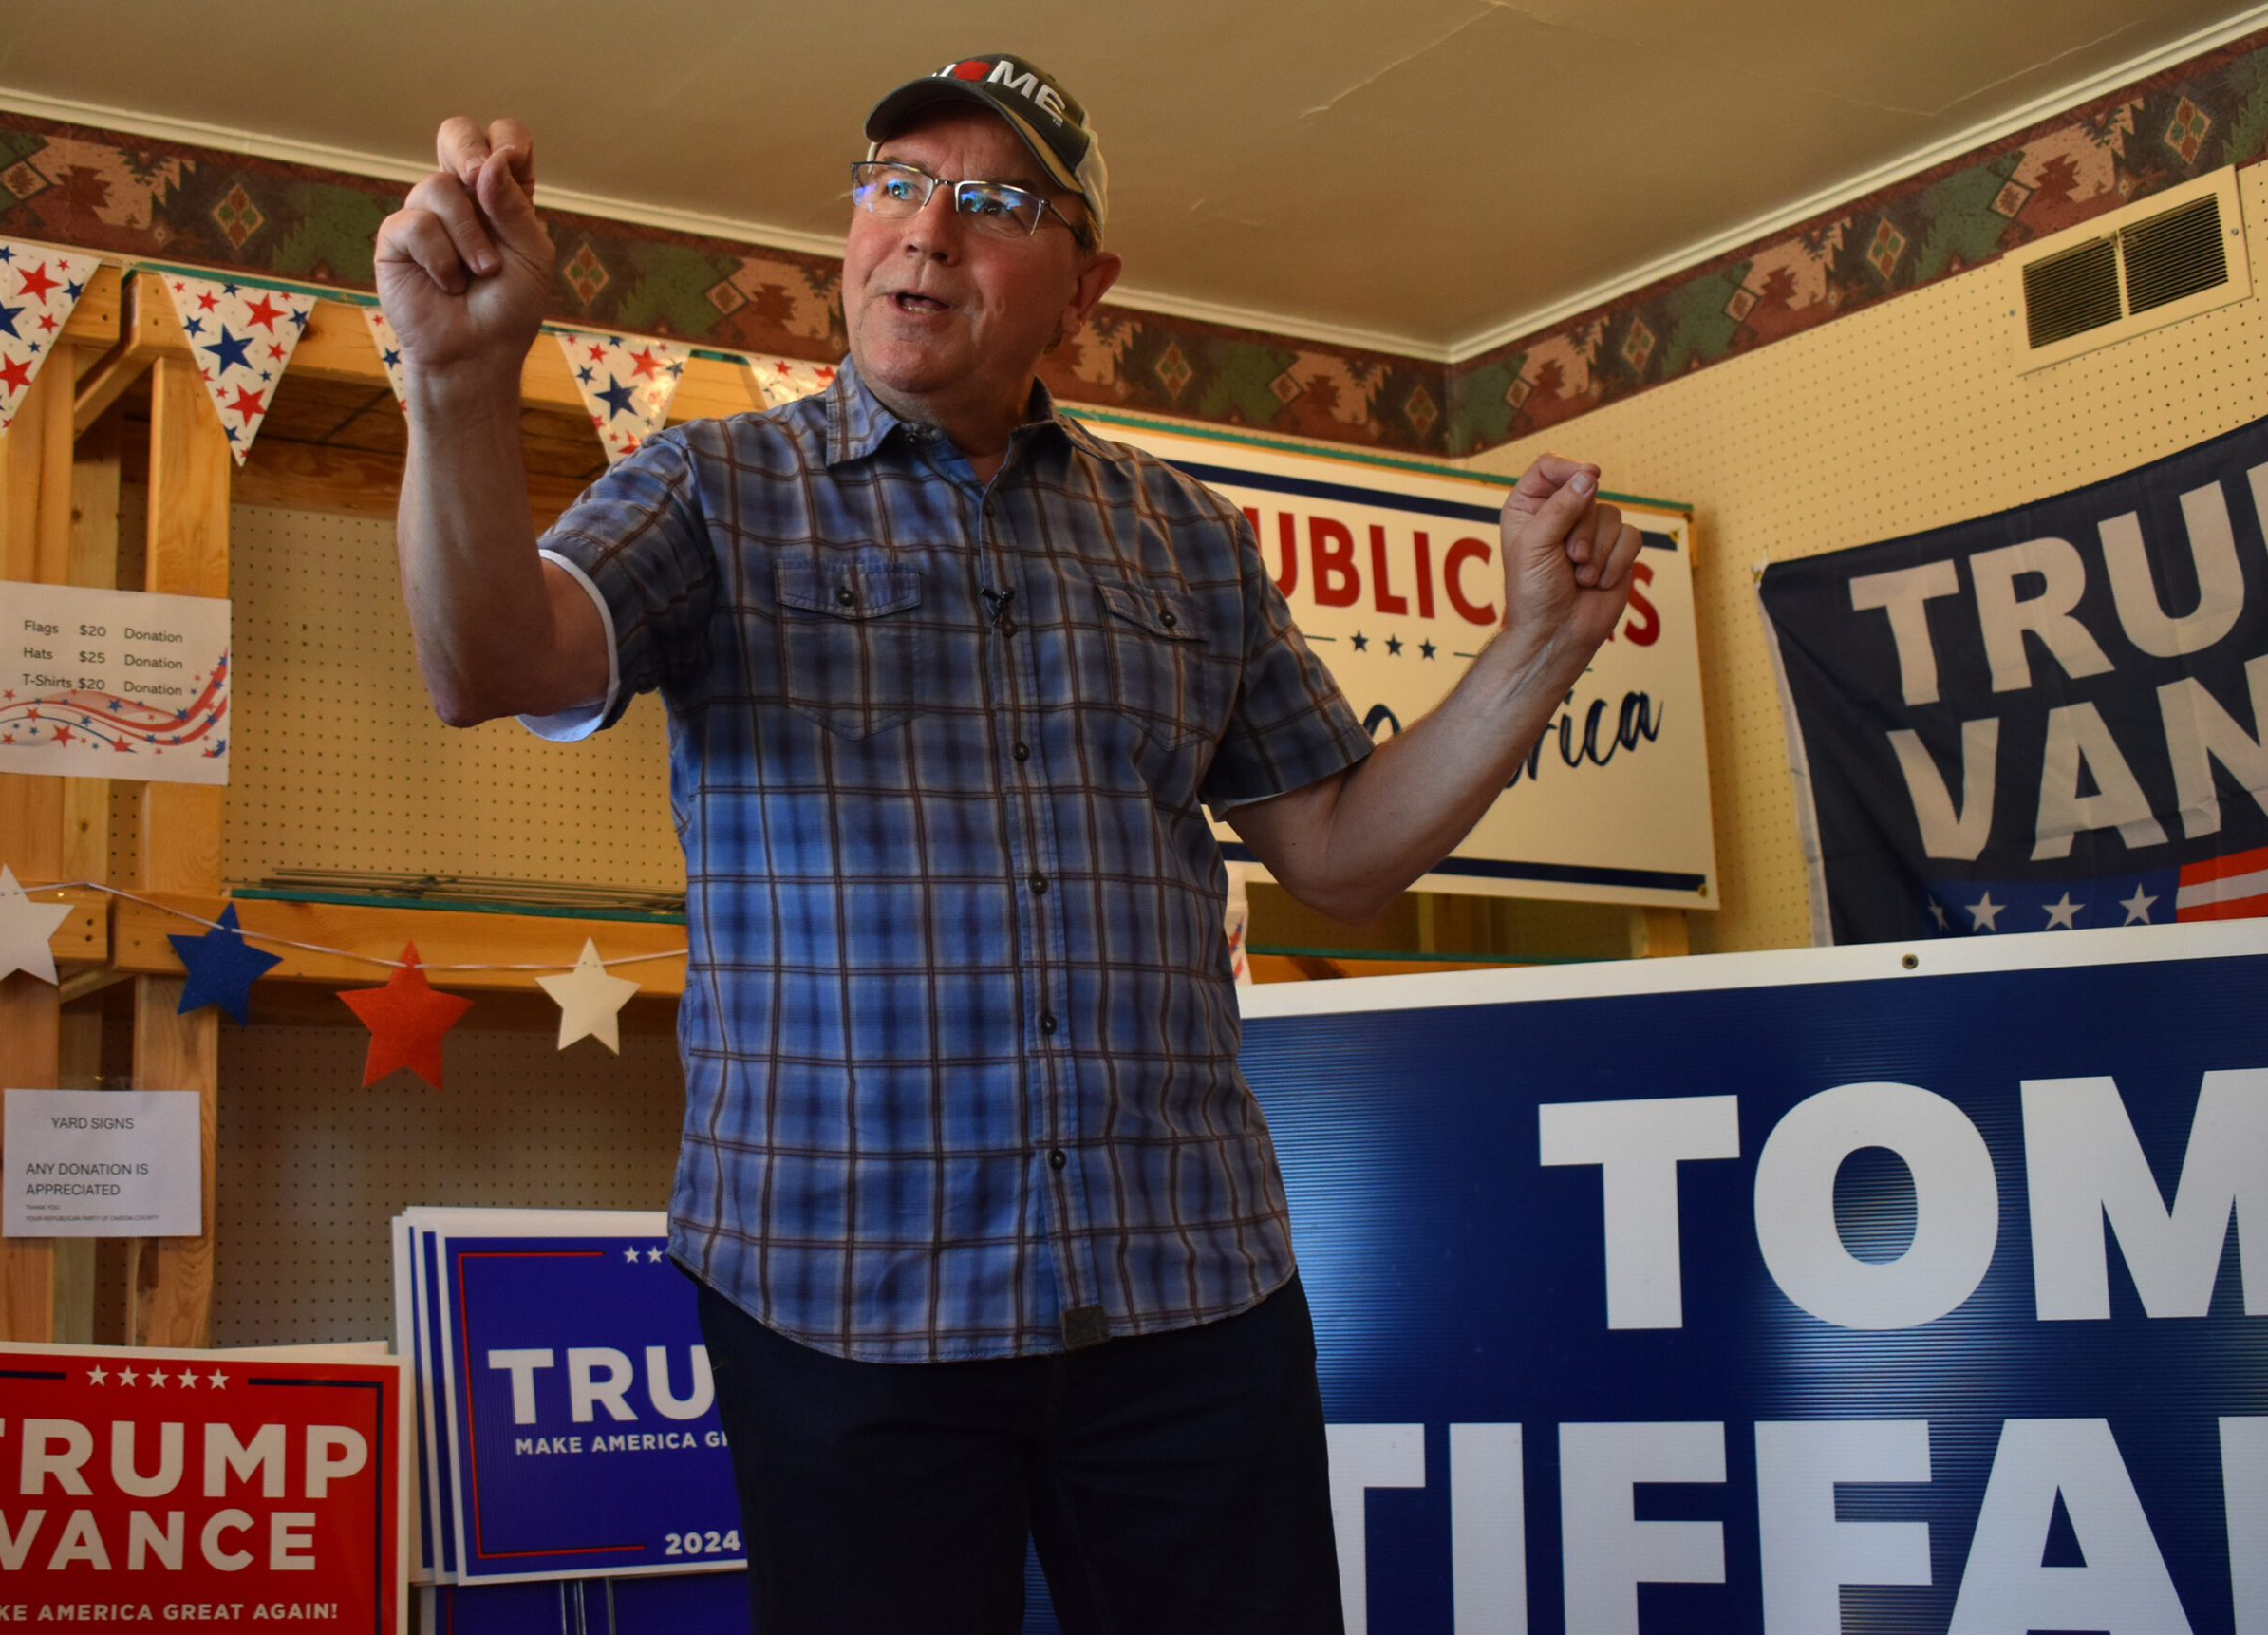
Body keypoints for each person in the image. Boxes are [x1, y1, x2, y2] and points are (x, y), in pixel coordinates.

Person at [378, 52, 1638, 1635]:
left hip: (1188, 1293)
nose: (924, 232)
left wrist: (1536, 647)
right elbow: (491, 660)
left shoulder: (1184, 533)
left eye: (990, 203)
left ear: (1083, 281)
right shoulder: (715, 487)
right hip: (836, 1303)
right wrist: (457, 386)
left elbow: (1338, 853)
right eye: (894, 183)